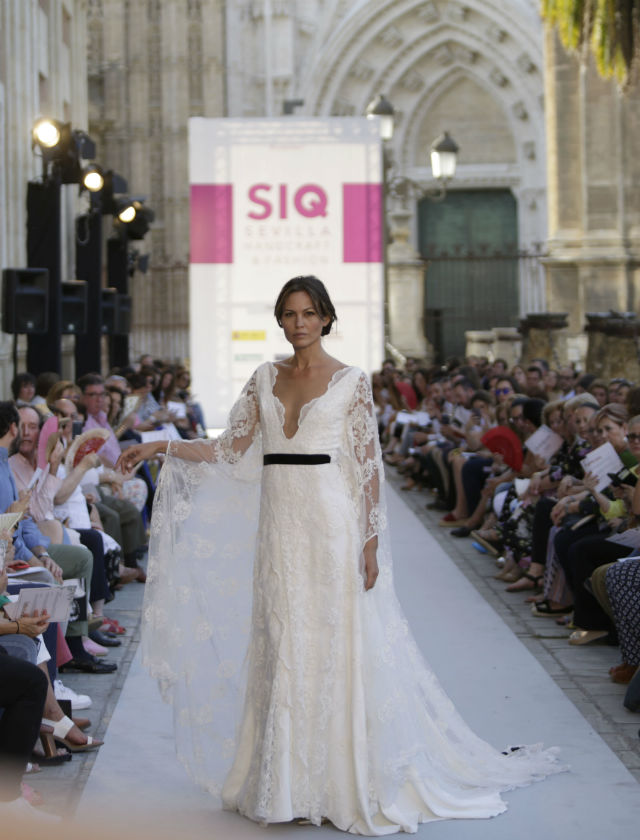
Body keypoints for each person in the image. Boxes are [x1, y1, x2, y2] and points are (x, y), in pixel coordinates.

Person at [118, 276, 565, 834]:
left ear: (327, 318)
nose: (299, 323)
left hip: (330, 525)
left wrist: (370, 539)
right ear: (280, 320)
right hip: (278, 526)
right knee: (280, 636)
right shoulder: (264, 378)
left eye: (309, 313)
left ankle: (336, 780)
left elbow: (367, 464)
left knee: (331, 642)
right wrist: (160, 445)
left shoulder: (352, 381)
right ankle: (282, 783)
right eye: (290, 313)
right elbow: (228, 449)